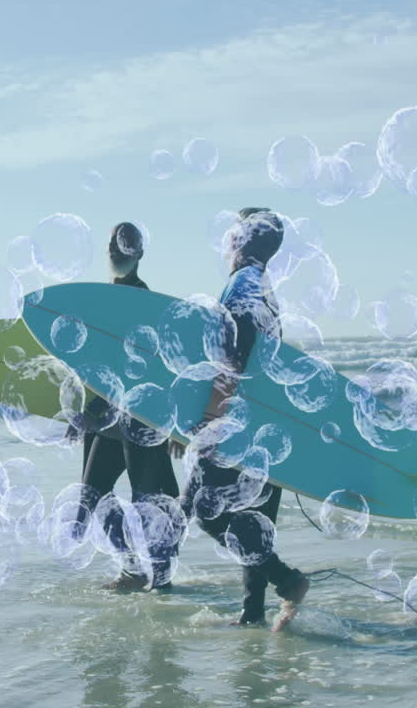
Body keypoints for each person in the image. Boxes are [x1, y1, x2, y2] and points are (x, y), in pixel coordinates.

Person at [174, 207, 310, 630]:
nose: (227, 239)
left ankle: (286, 580)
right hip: (264, 422)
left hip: (237, 422)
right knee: (252, 517)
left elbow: (233, 356)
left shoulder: (242, 285)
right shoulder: (263, 287)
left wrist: (209, 420)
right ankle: (253, 613)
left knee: (207, 510)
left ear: (241, 239)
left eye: (233, 231)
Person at [71, 222, 182, 593]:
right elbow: (94, 363)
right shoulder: (102, 299)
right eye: (113, 243)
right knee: (94, 496)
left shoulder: (144, 302)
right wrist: (82, 411)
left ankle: (162, 579)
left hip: (139, 416)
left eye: (125, 244)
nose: (116, 250)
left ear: (139, 254)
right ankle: (133, 570)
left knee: (148, 501)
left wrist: (176, 426)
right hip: (107, 418)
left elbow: (153, 366)